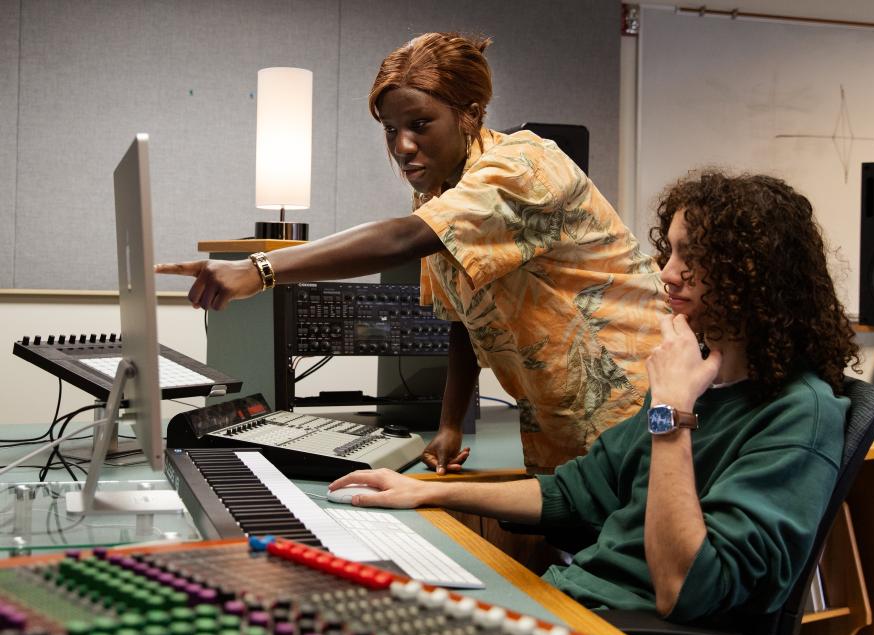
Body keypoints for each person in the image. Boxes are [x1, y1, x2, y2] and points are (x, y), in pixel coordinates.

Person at [327, 170, 862, 622]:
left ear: (752, 275)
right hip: (573, 600)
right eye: (670, 251)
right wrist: (426, 493)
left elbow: (686, 588)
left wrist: (671, 413)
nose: (666, 273)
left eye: (692, 257)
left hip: (619, 629)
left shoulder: (799, 413)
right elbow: (574, 491)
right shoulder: (697, 385)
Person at [156, 32, 666, 475]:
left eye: (420, 124)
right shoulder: (438, 195)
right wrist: (449, 426)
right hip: (563, 417)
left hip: (635, 403)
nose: (401, 146)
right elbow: (465, 320)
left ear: (470, 114)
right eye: (390, 129)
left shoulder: (522, 167)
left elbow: (403, 238)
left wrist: (260, 269)